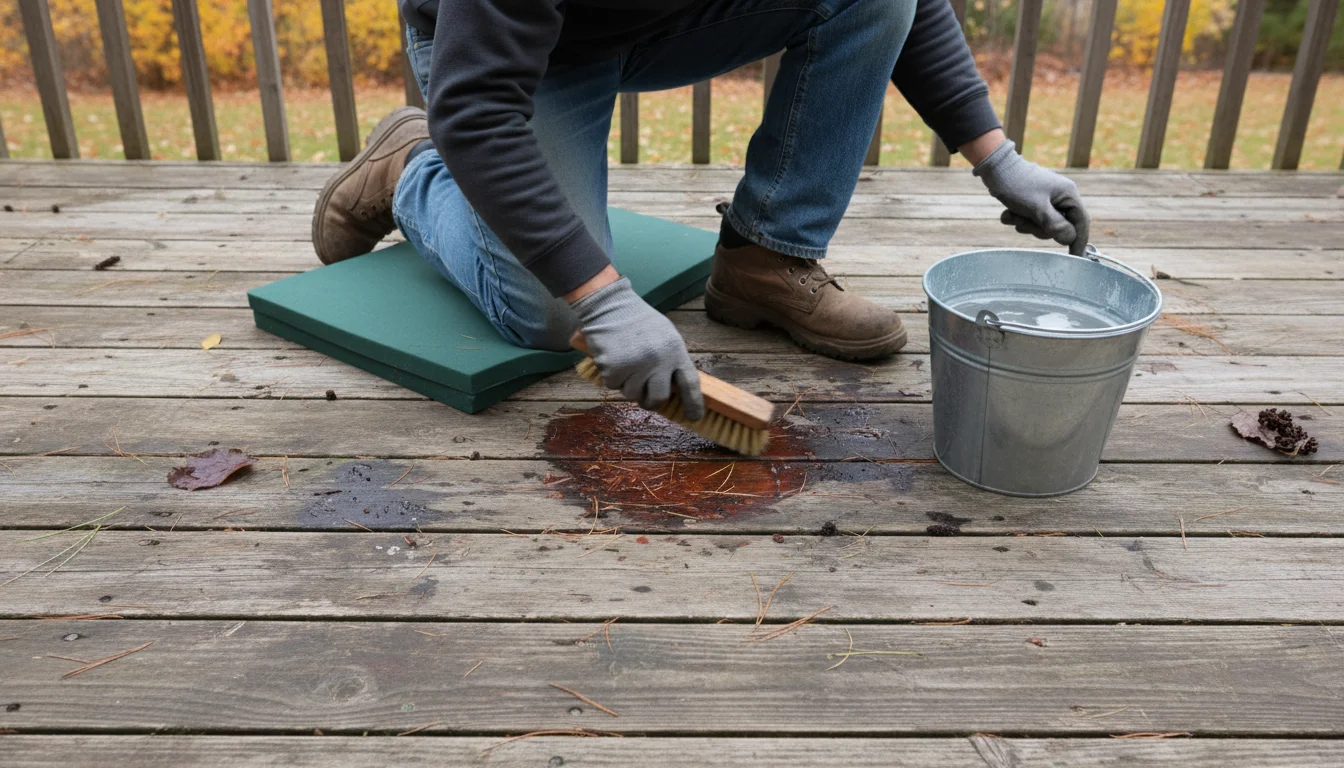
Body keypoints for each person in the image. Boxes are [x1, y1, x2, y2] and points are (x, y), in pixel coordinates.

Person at [311, 0, 1089, 423]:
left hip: (661, 20)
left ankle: (767, 258)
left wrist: (996, 155)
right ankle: (414, 167)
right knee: (553, 317)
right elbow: (479, 106)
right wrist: (603, 298)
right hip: (508, 63)